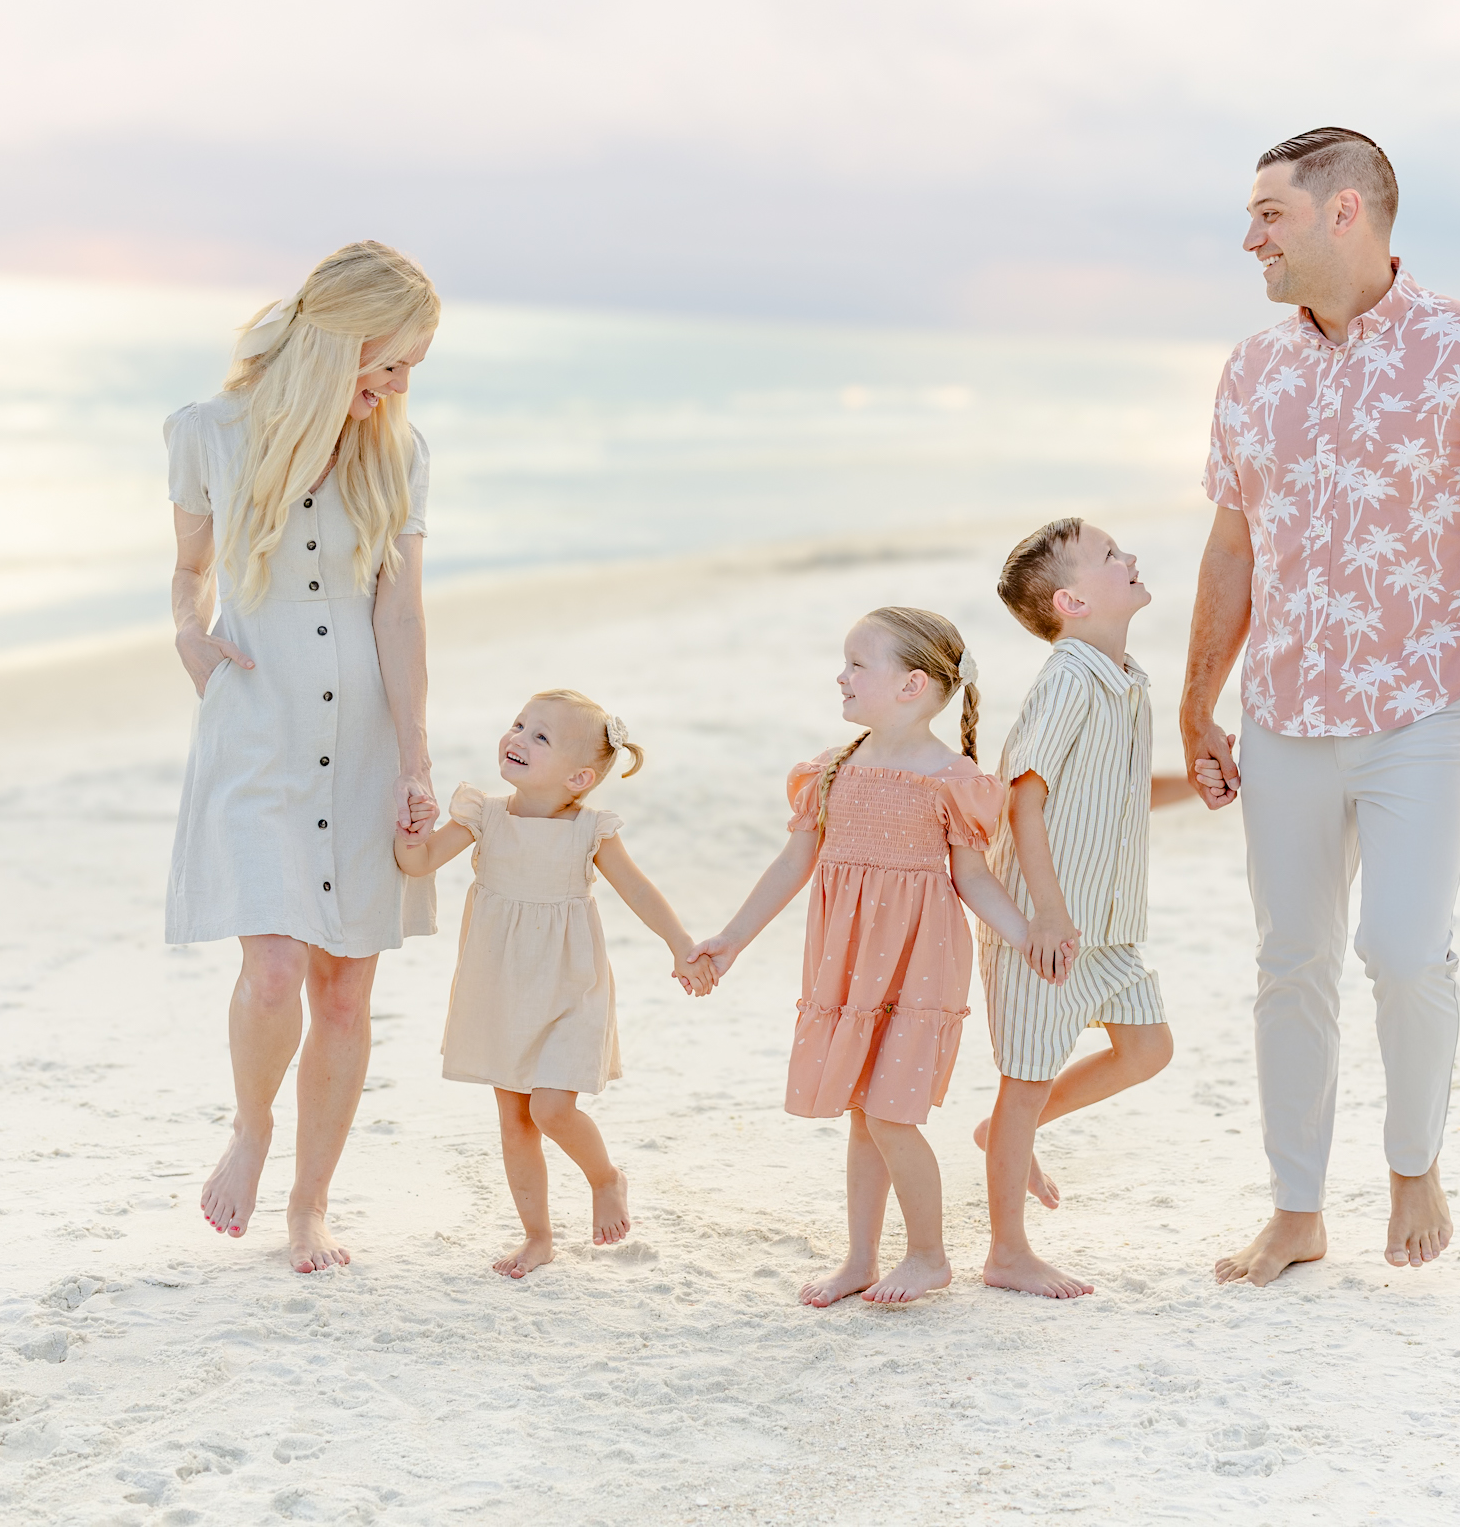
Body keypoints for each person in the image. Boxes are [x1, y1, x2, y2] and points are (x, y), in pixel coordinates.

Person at [1180, 127, 1460, 1288]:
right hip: (1282, 710)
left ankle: (1414, 1167)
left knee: (1401, 951)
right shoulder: (1250, 369)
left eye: (1269, 214)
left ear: (1343, 211)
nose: (1250, 238)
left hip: (1425, 705)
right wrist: (1198, 706)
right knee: (1289, 958)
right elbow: (1230, 546)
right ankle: (1296, 1210)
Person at [165, 238, 441, 1274]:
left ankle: (309, 1206)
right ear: (339, 340)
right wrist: (188, 633)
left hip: (364, 740)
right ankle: (252, 1125)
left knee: (344, 992)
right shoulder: (209, 433)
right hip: (258, 731)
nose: (400, 385)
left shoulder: (398, 453)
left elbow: (401, 615)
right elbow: (189, 570)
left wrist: (414, 761)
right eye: (391, 360)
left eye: (410, 366)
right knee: (275, 968)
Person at [691, 609, 1035, 1307]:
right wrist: (731, 939)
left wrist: (1028, 937)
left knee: (891, 1115)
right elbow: (793, 863)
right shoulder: (831, 769)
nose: (841, 676)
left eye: (856, 664)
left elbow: (972, 878)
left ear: (912, 684)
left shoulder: (953, 778)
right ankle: (859, 1259)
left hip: (919, 962)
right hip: (848, 965)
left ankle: (929, 1256)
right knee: (863, 1111)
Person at [393, 690, 713, 1276]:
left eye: (540, 736)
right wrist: (410, 830)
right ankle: (537, 1236)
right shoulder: (481, 814)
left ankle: (605, 1178)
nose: (517, 738)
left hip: (571, 987)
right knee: (515, 1123)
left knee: (551, 1109)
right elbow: (417, 863)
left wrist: (681, 945)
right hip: (499, 989)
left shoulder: (591, 830)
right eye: (518, 724)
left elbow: (639, 891)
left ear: (579, 777)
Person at [976, 520, 1175, 1300]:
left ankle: (1006, 1134)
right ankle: (1007, 1253)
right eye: (1109, 556)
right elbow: (1024, 797)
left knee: (1147, 1049)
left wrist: (1207, 783)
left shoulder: (1126, 682)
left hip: (1107, 923)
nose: (1130, 558)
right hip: (1044, 923)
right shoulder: (1067, 679)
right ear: (1072, 602)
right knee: (1024, 1081)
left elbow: (1122, 791)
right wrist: (1048, 917)